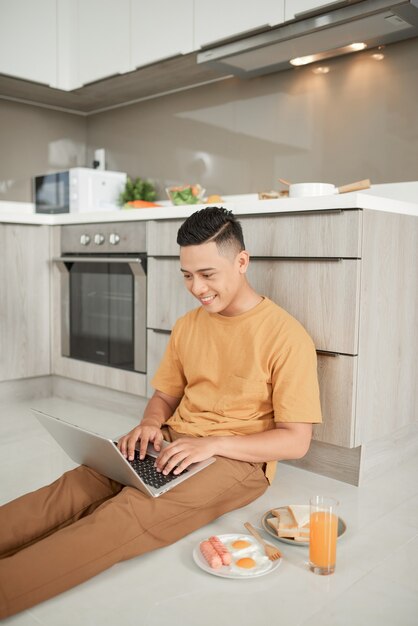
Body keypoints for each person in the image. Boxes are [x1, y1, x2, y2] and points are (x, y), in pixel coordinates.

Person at [0, 207, 322, 618]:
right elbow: (164, 397)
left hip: (237, 461)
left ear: (242, 262)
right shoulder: (189, 326)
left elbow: (296, 440)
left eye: (207, 274)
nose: (196, 288)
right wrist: (150, 423)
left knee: (130, 513)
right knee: (78, 484)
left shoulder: (286, 336)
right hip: (171, 442)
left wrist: (212, 444)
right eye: (187, 275)